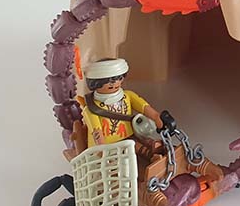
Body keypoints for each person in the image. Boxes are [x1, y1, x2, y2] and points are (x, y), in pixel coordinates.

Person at [81, 57, 224, 188]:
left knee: (145, 147)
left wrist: (157, 118)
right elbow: (97, 133)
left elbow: (145, 108)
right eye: (110, 82)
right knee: (129, 162)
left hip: (130, 137)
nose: (115, 84)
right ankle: (146, 180)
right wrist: (104, 151)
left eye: (118, 79)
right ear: (96, 84)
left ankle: (162, 159)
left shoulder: (127, 96)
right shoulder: (92, 110)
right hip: (110, 147)